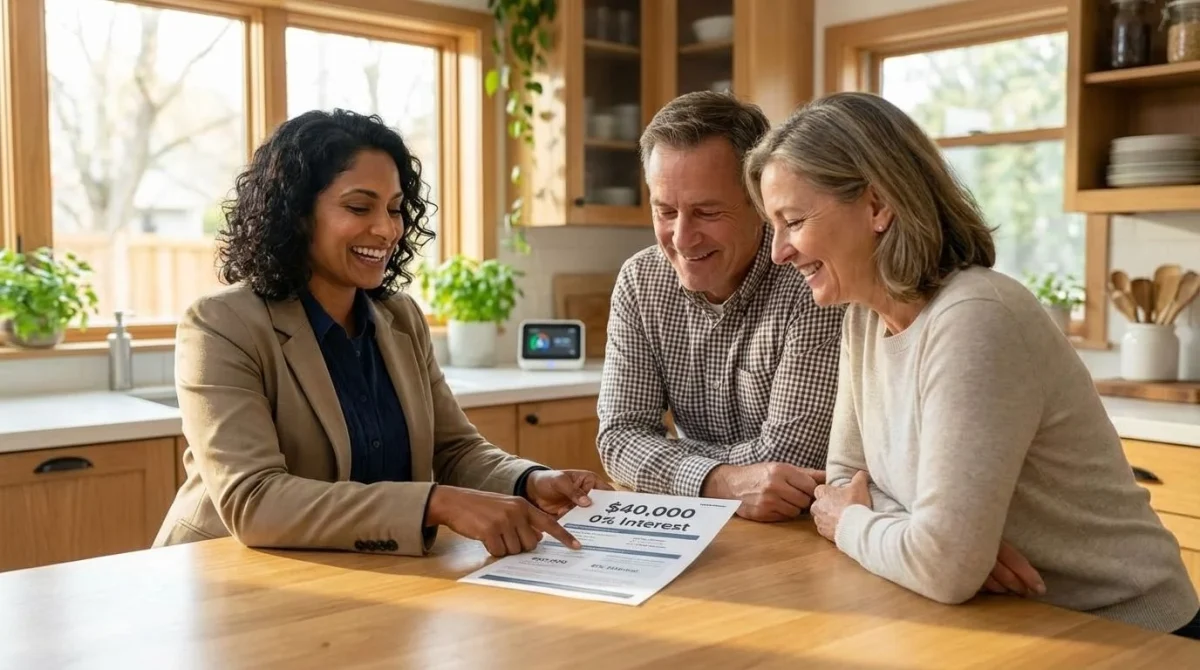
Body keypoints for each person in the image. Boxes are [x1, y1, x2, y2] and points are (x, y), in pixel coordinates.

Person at [745, 91, 1200, 637]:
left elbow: (919, 552)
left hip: (1127, 632)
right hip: (1004, 621)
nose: (778, 252)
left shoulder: (976, 318)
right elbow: (845, 480)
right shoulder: (864, 319)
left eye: (792, 221)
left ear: (877, 205)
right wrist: (932, 544)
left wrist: (878, 532)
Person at [153, 109, 610, 559]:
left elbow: (453, 449)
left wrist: (528, 480)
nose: (388, 229)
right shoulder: (222, 324)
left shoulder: (401, 317)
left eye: (395, 209)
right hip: (224, 576)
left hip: (360, 578)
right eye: (359, 207)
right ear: (295, 214)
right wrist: (437, 503)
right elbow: (255, 501)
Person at [596, 91, 844, 523]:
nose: (681, 237)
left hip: (801, 536)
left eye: (707, 212)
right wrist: (721, 481)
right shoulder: (641, 281)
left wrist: (667, 460)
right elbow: (619, 438)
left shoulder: (812, 280)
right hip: (701, 526)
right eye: (665, 211)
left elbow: (791, 459)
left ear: (760, 202)